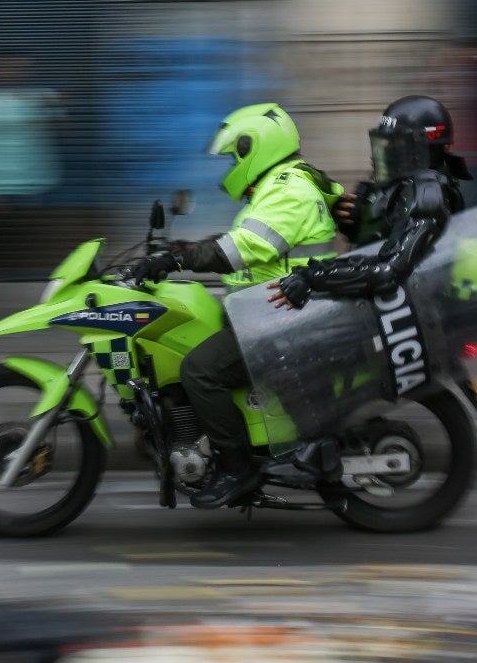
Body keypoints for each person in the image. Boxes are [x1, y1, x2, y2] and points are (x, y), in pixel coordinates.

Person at [129, 103, 344, 509]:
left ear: (255, 148)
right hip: (268, 311)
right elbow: (244, 239)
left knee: (200, 370)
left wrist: (178, 259)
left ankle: (236, 467)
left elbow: (243, 247)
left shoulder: (288, 190)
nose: (230, 165)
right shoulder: (277, 187)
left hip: (283, 317)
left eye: (234, 156)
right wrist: (177, 250)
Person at [267, 95, 472, 310]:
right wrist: (356, 224)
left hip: (417, 319)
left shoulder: (429, 195)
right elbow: (387, 238)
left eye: (398, 145)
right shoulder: (401, 185)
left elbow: (388, 271)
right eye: (386, 144)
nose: (387, 152)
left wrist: (313, 277)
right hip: (385, 314)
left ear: (422, 147)